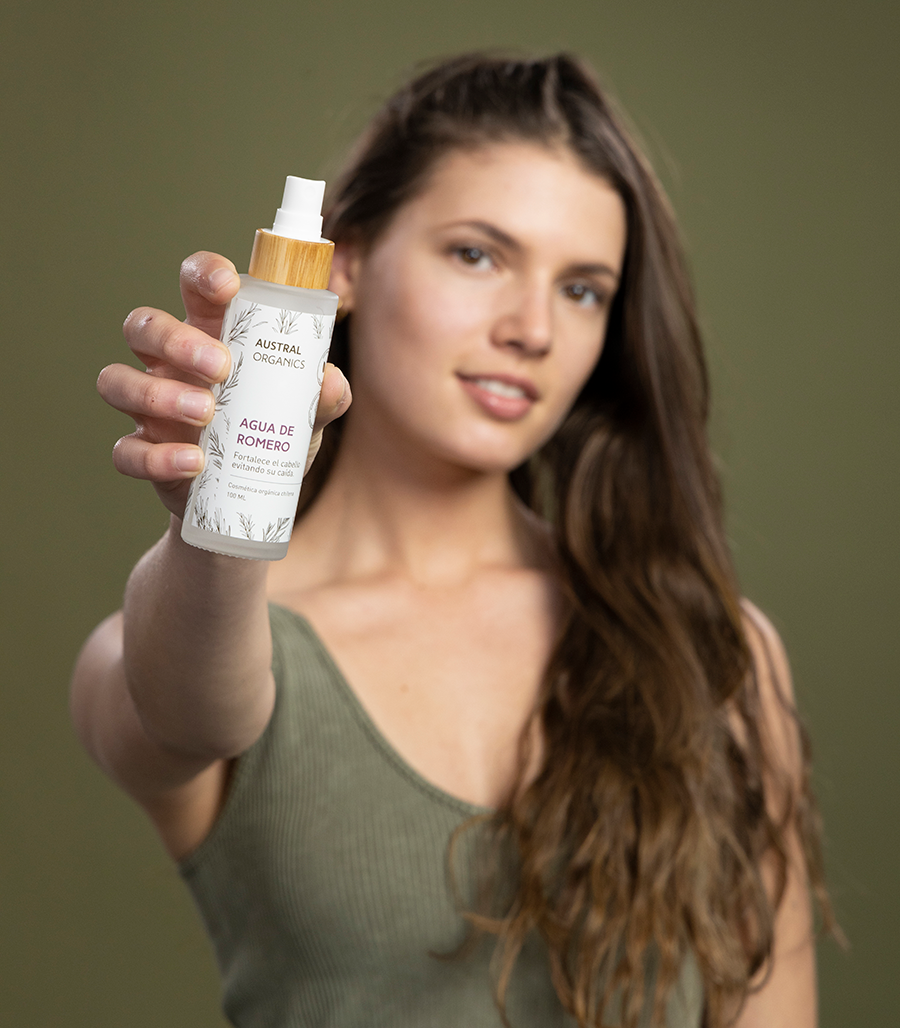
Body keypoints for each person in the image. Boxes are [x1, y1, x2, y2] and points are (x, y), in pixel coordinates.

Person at [72, 53, 831, 1028]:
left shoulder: (717, 656)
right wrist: (214, 522)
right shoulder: (213, 645)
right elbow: (191, 708)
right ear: (344, 264)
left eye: (584, 289)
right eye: (477, 254)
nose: (532, 328)